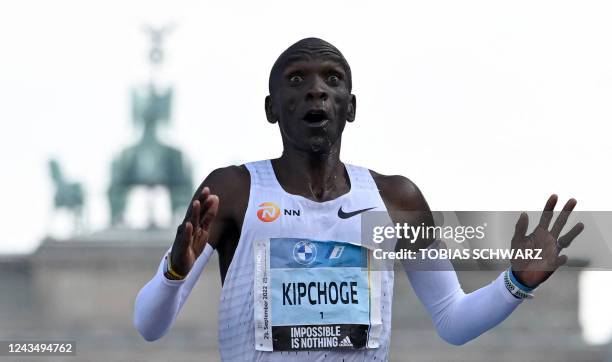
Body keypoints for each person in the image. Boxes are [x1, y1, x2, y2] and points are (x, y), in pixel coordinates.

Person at [133, 37, 584, 361]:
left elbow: (452, 319)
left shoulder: (395, 199)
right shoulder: (235, 190)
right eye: (296, 79)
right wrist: (174, 273)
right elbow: (149, 327)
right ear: (272, 108)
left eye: (332, 79)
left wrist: (516, 282)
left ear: (349, 106)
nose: (316, 90)